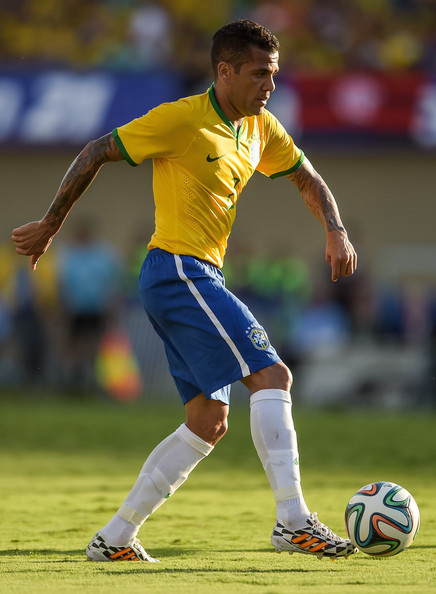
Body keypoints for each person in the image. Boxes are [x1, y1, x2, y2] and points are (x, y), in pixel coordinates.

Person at [12, 20, 358, 562]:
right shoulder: (182, 119)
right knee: (273, 375)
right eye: (259, 74)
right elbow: (97, 150)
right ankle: (293, 522)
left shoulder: (260, 126)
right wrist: (51, 223)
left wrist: (335, 229)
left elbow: (306, 176)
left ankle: (115, 538)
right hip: (178, 269)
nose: (270, 85)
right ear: (225, 72)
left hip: (194, 275)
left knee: (208, 422)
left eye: (273, 73)